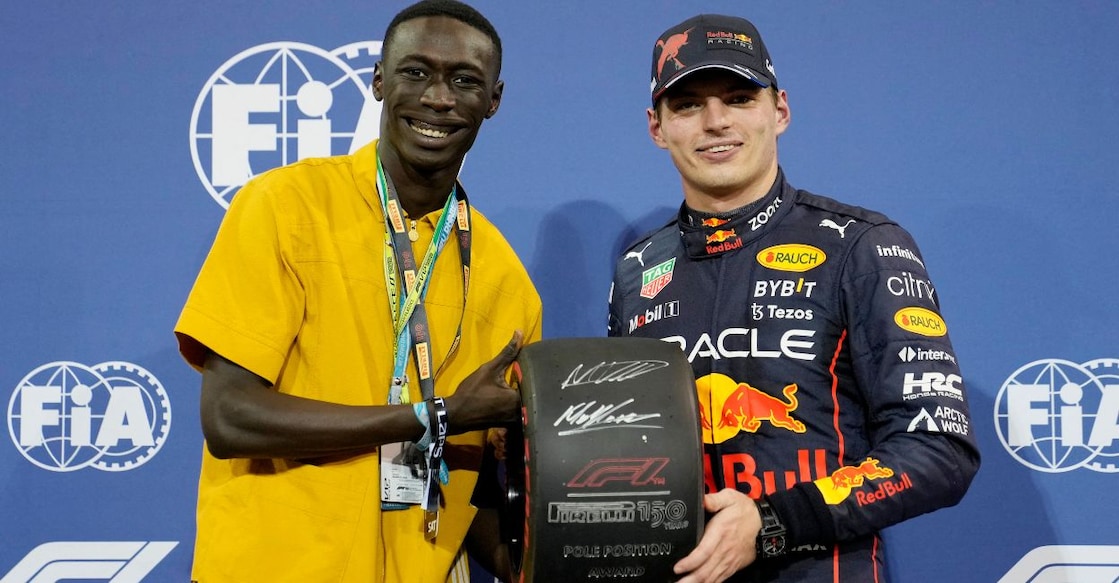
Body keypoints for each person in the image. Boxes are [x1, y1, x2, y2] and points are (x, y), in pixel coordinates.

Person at [174, 1, 541, 581]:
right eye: (415, 72)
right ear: (377, 80)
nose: (438, 98)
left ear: (492, 101)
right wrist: (431, 414)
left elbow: (478, 488)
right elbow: (230, 419)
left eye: (465, 81)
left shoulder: (505, 279)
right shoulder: (283, 207)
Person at [607, 13, 980, 582]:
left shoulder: (862, 246)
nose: (715, 122)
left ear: (779, 110)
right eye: (687, 105)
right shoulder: (637, 269)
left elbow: (938, 451)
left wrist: (772, 522)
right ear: (657, 127)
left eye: (738, 98)